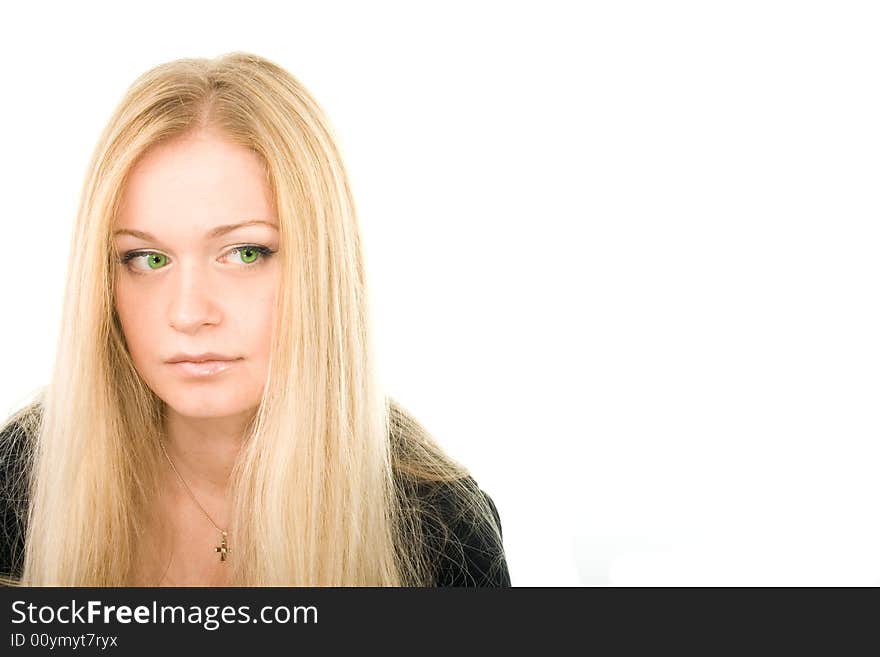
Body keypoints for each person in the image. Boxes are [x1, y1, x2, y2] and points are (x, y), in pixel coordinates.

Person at [0, 52, 510, 587]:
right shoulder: (19, 486)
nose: (189, 313)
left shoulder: (441, 527)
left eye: (245, 253)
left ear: (322, 268)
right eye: (148, 259)